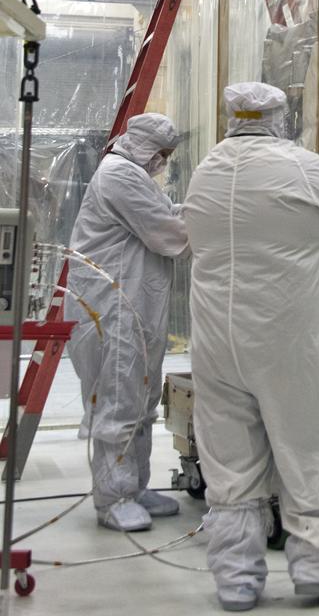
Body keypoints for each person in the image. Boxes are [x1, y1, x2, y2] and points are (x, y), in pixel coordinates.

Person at [183, 82, 319, 613]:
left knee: (229, 459)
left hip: (217, 341)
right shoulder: (303, 167)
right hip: (288, 338)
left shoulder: (205, 173)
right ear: (279, 116)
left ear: (230, 117)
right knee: (311, 448)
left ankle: (237, 578)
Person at [68, 112, 188, 531]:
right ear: (141, 145)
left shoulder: (133, 176)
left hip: (133, 308)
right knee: (119, 400)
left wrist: (195, 210)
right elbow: (169, 235)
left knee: (141, 400)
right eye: (162, 153)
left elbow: (165, 213)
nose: (164, 162)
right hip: (113, 310)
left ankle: (134, 486)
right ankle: (113, 498)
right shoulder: (120, 175)